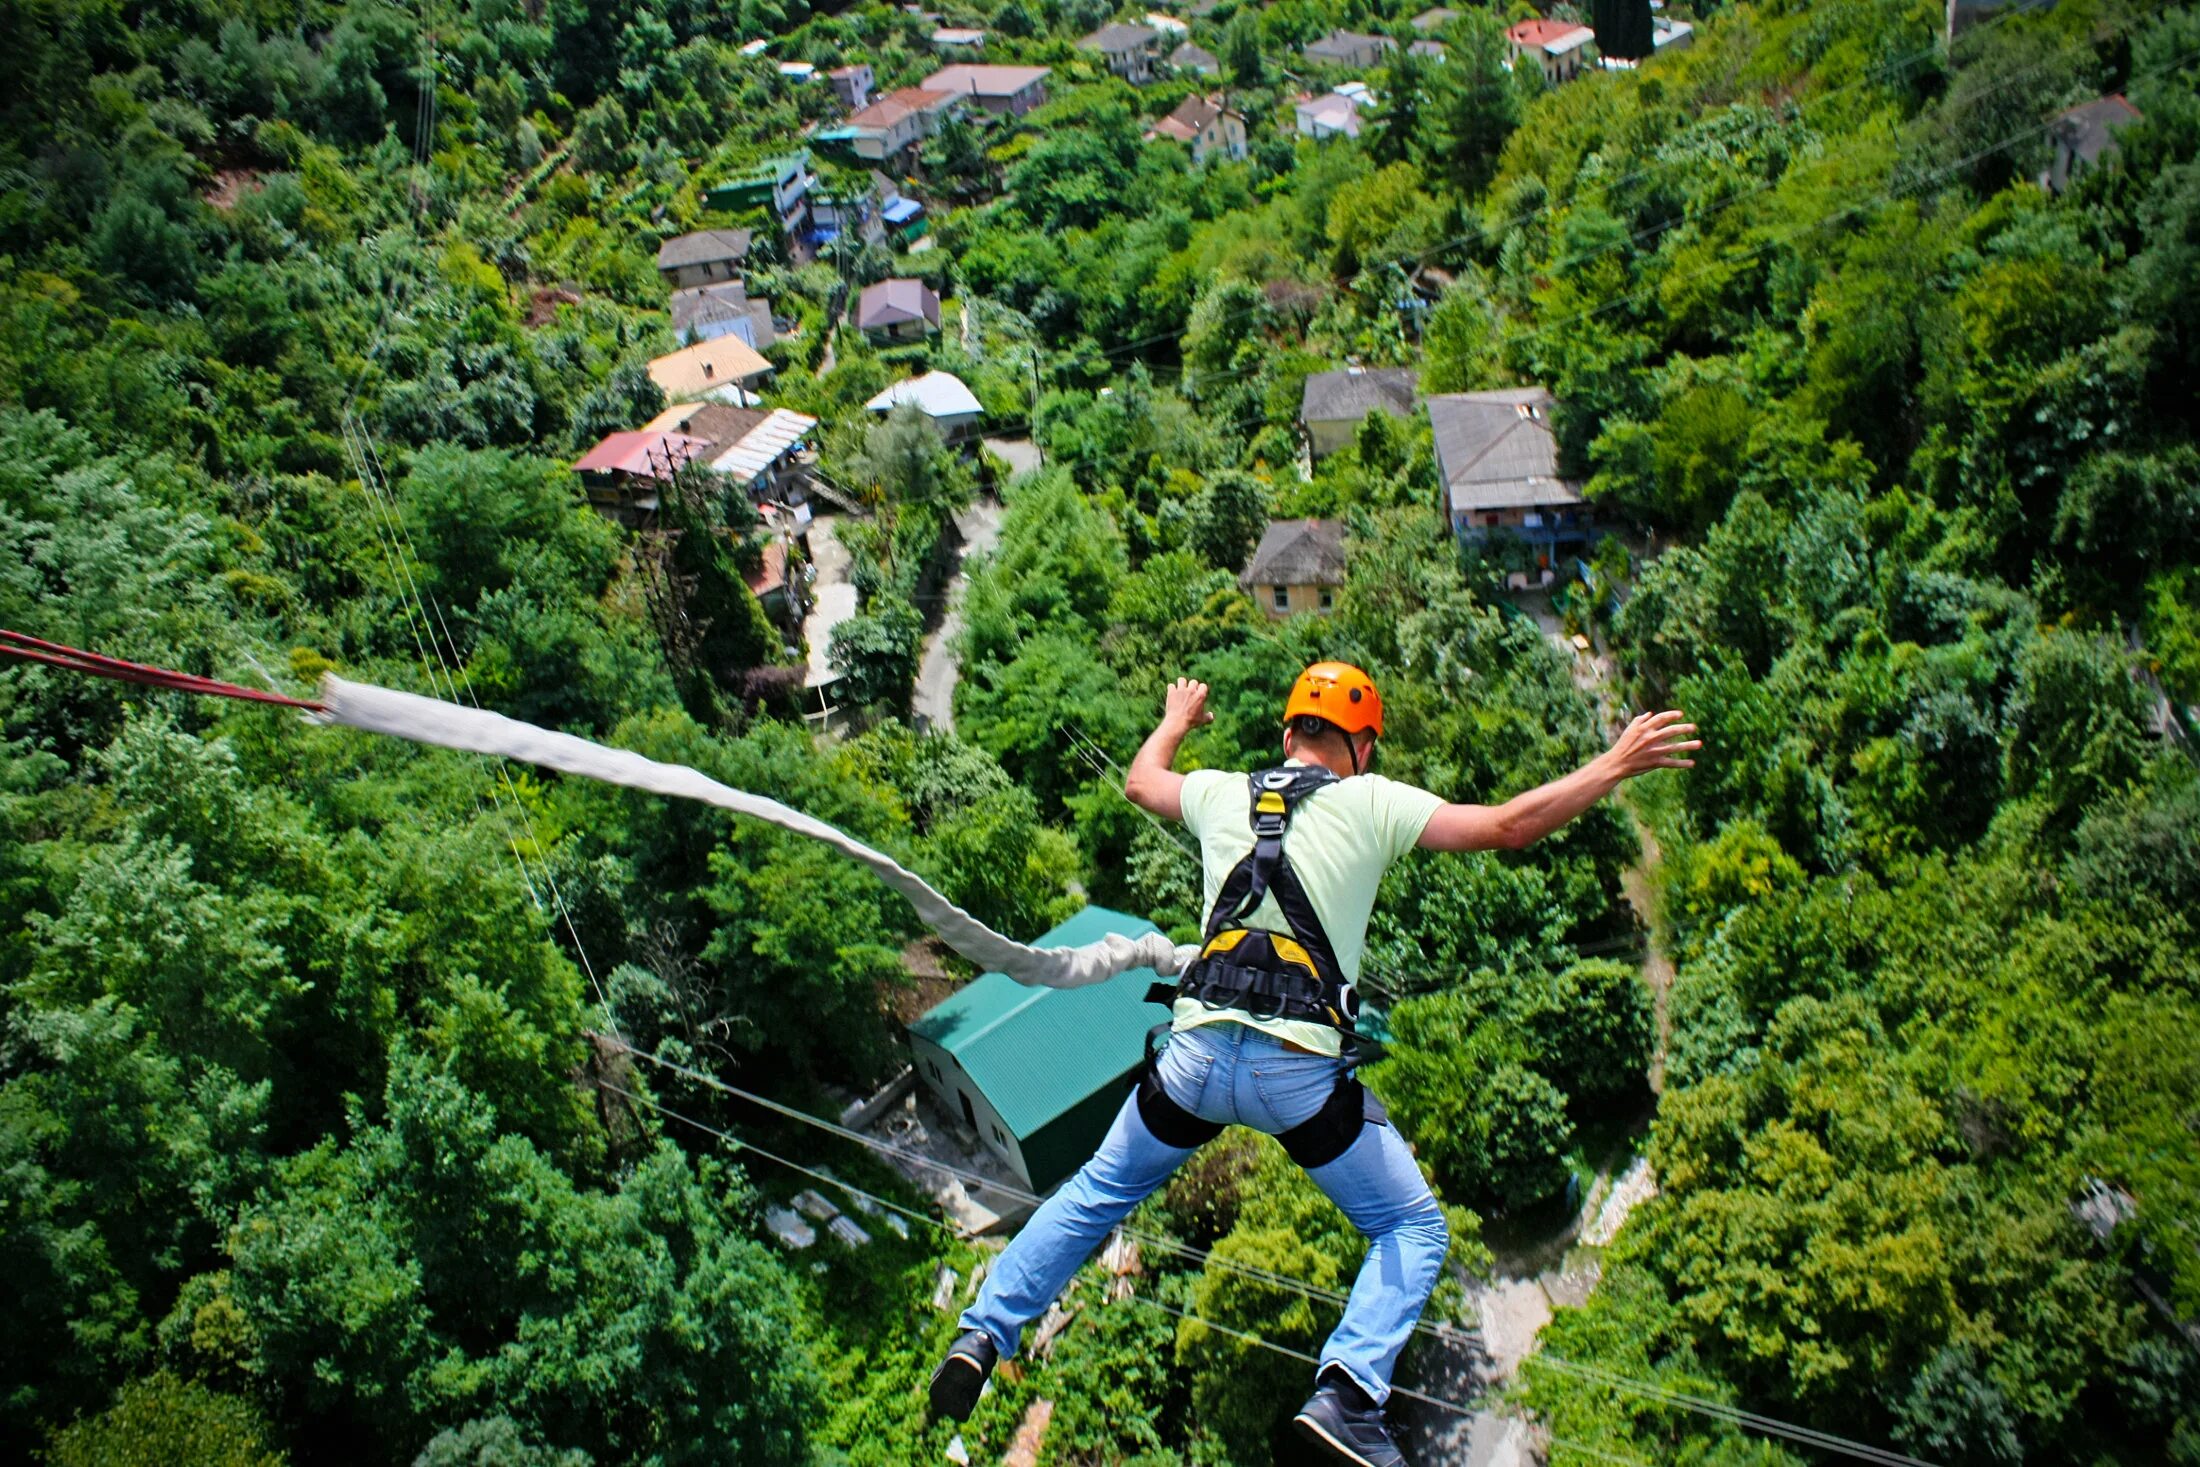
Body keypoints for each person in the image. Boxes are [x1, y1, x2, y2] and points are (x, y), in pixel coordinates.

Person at [930, 662, 1699, 1466]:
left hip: (1191, 1060)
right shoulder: (1372, 800)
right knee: (1411, 1226)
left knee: (1094, 1193)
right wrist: (1613, 764)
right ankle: (1347, 1394)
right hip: (1297, 1078)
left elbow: (1139, 782)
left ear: (1287, 733)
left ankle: (984, 1333)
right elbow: (1508, 825)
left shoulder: (1226, 790)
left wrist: (1177, 717)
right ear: (1361, 747)